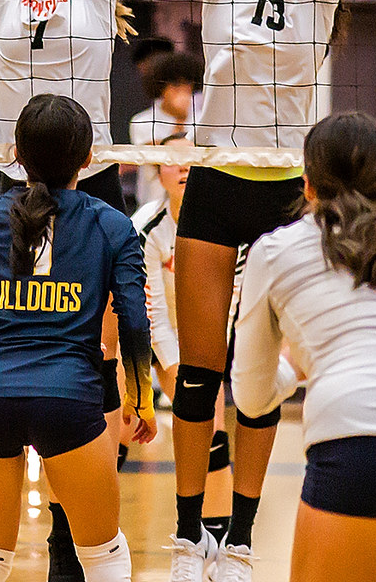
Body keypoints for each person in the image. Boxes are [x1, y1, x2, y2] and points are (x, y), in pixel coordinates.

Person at [167, 0, 346, 582]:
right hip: (214, 177)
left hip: (284, 188)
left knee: (257, 378)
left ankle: (238, 538)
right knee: (198, 372)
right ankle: (186, 530)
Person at [0, 0, 134, 577]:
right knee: (12, 347)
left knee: (88, 350)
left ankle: (73, 541)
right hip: (11, 186)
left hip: (93, 189)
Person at [0, 93, 156, 582]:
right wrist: (141, 400)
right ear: (89, 158)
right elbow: (134, 322)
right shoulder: (112, 225)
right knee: (105, 558)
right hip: (67, 398)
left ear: (14, 155)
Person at [231, 111, 376, 582]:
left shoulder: (275, 252)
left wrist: (293, 369)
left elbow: (251, 398)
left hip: (360, 438)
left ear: (307, 183)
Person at [128, 134, 233, 547]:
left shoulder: (224, 226)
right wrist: (173, 366)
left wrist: (203, 363)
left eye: (192, 160)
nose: (184, 168)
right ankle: (81, 540)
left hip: (205, 338)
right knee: (121, 425)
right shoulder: (144, 227)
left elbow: (230, 303)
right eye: (173, 161)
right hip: (149, 340)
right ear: (157, 171)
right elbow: (149, 311)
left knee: (213, 426)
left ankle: (220, 542)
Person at [128, 50, 203, 206]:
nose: (183, 89)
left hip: (194, 203)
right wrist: (180, 117)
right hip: (154, 204)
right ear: (161, 87)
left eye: (187, 83)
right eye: (175, 84)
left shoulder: (202, 119)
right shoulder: (142, 121)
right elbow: (166, 160)